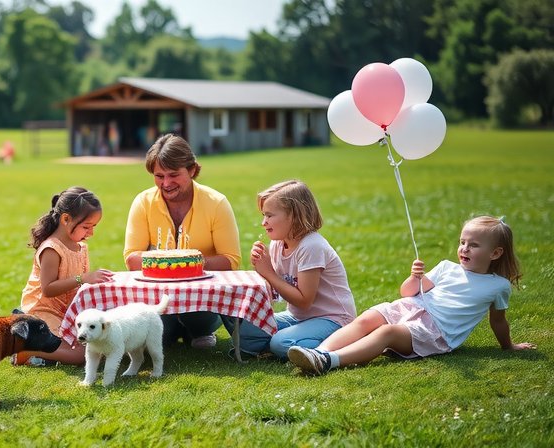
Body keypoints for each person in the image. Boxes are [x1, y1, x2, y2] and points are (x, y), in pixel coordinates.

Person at [288, 215, 537, 375]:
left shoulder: (497, 286)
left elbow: (498, 321)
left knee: (386, 333)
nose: (464, 249)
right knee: (368, 318)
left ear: (495, 253)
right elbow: (407, 292)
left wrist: (508, 346)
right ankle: (317, 352)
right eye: (462, 242)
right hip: (410, 307)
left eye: (474, 245)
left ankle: (328, 361)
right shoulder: (446, 267)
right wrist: (415, 277)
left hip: (435, 332)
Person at [124, 133, 241, 349]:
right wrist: (181, 262)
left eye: (173, 175)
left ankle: (200, 331)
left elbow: (230, 260)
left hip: (202, 297)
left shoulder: (216, 203)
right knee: (162, 333)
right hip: (159, 298)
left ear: (192, 170)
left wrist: (181, 263)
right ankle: (180, 331)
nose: (166, 183)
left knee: (198, 318)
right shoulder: (143, 202)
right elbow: (132, 259)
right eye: (159, 176)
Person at [225, 180, 356, 360]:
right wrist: (261, 271)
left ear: (294, 216)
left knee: (280, 343)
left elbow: (304, 301)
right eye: (263, 215)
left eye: (269, 215)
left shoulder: (311, 246)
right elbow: (276, 292)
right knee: (246, 328)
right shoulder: (278, 244)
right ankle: (277, 346)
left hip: (333, 319)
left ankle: (345, 342)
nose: (263, 222)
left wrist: (269, 273)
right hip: (298, 317)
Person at [14, 186, 114, 366]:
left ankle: (40, 348)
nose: (91, 233)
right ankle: (27, 349)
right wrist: (82, 278)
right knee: (81, 355)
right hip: (44, 311)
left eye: (93, 227)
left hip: (68, 311)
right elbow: (48, 289)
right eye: (86, 227)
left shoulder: (81, 247)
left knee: (99, 344)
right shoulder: (52, 249)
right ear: (66, 219)